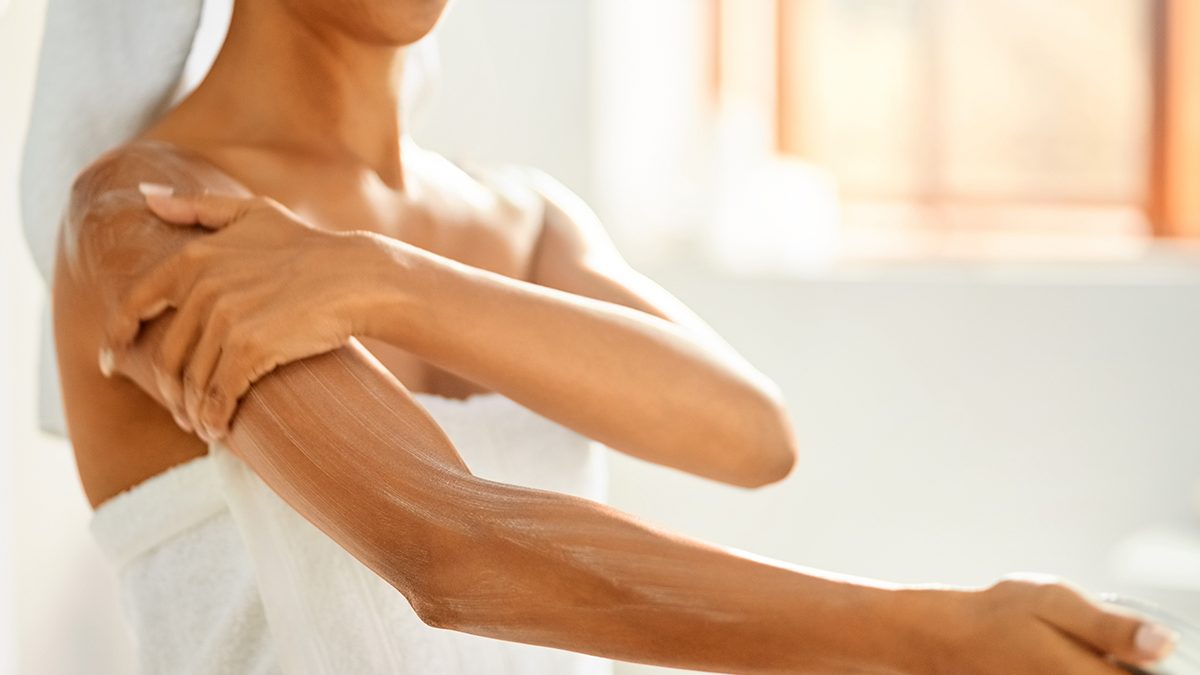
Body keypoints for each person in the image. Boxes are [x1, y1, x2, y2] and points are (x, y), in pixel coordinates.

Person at [34, 0, 1178, 672]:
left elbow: (751, 436)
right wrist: (929, 639)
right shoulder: (149, 219)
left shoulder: (520, 219)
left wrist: (385, 279)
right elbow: (450, 552)